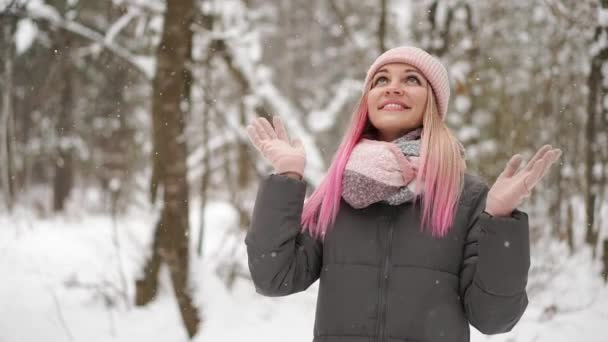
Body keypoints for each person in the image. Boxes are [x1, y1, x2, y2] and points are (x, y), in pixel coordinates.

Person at [244, 46, 562, 342]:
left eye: (411, 79)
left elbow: (494, 318)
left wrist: (501, 219)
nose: (393, 87)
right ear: (367, 101)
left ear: (433, 103)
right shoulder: (337, 190)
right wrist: (286, 176)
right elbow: (273, 277)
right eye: (381, 79)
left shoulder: (466, 195)